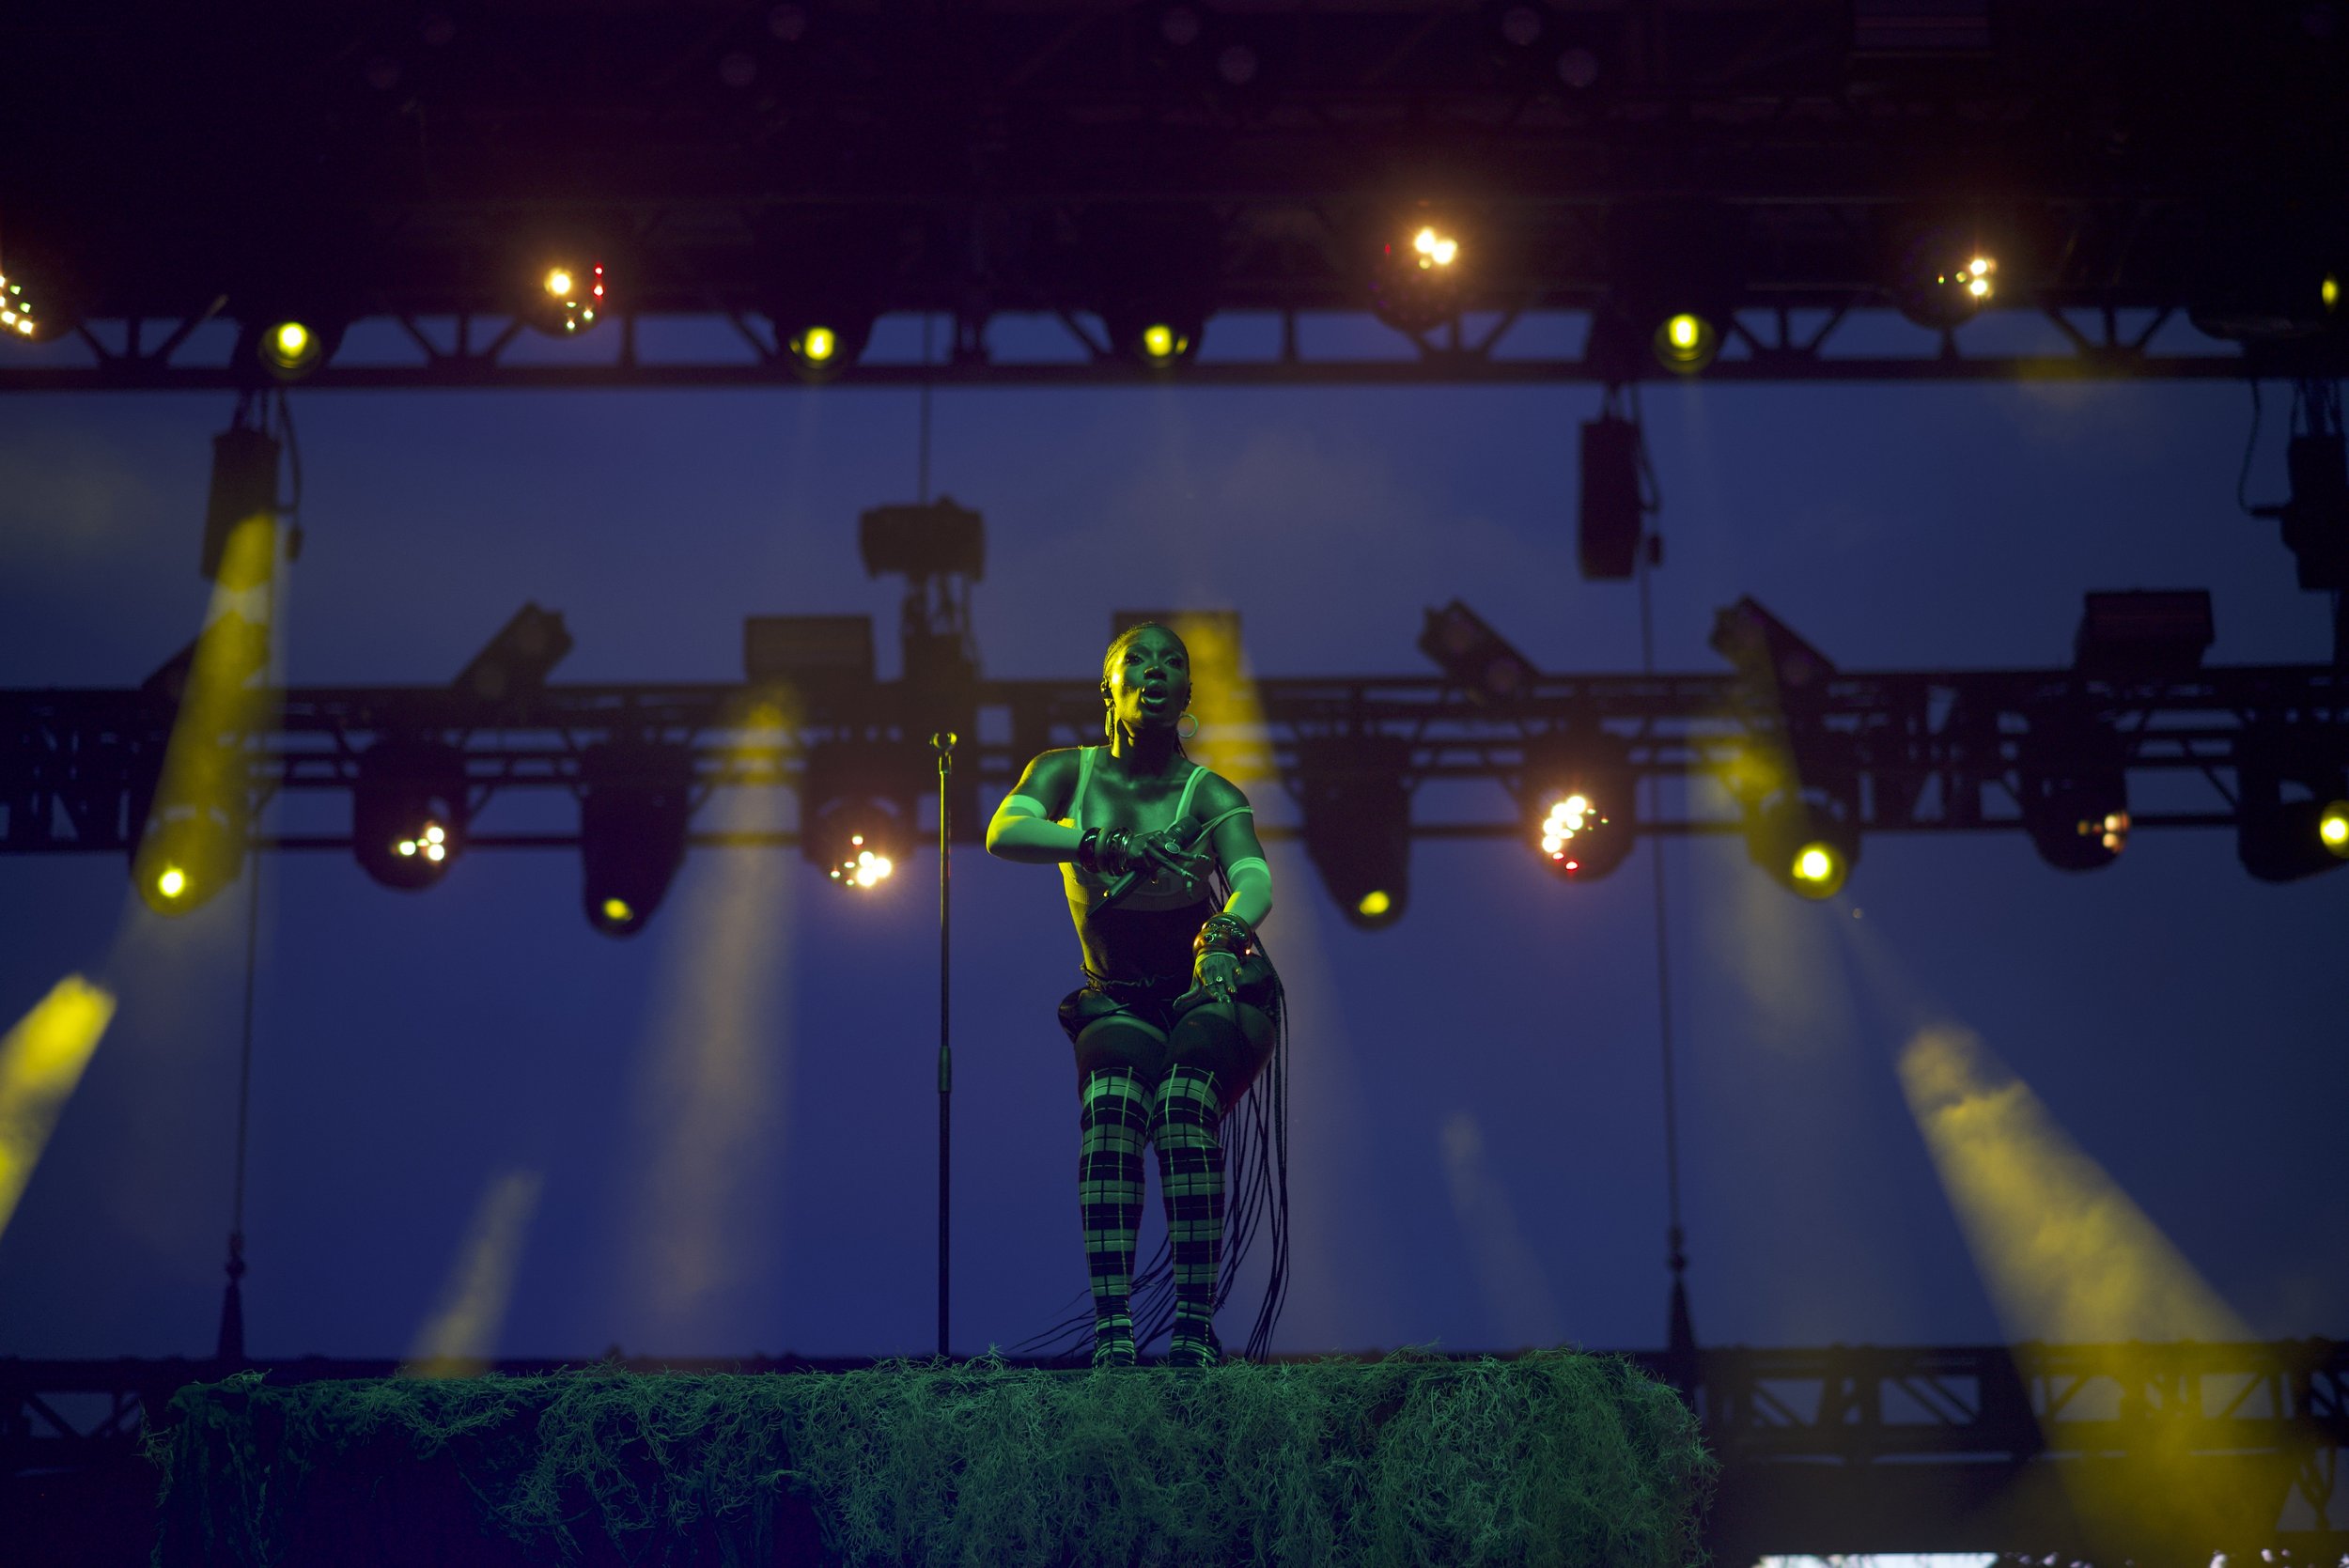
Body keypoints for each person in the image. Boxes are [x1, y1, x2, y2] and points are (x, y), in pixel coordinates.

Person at [986, 621, 1283, 1368]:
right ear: (1108, 688)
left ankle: (1192, 1327)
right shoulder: (1066, 772)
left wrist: (1226, 932)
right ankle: (1114, 1330)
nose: (1154, 672)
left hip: (1207, 988)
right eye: (1135, 661)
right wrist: (1094, 843)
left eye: (1171, 664)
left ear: (1187, 693)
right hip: (1117, 995)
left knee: (1184, 1110)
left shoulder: (1208, 791)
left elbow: (1254, 875)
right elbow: (1004, 829)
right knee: (1112, 1113)